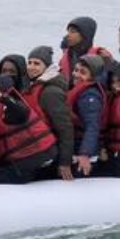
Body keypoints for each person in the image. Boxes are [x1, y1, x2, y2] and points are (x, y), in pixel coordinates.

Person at [0, 74, 58, 184]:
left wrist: (1, 97)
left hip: (29, 163)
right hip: (20, 162)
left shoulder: (11, 107)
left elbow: (21, 111)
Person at [25, 45, 75, 181]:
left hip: (51, 153)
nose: (31, 67)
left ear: (46, 67)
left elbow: (65, 128)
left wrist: (65, 162)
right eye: (29, 62)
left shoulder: (50, 92)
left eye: (36, 63)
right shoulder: (34, 85)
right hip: (38, 148)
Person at [66, 54, 107, 177]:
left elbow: (92, 126)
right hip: (77, 150)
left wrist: (84, 154)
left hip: (84, 156)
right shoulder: (78, 90)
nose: (76, 74)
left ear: (93, 76)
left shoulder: (90, 96)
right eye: (76, 70)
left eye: (83, 72)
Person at [59, 16, 108, 83]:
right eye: (68, 31)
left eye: (72, 31)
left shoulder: (100, 57)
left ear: (84, 34)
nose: (67, 35)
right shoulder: (67, 56)